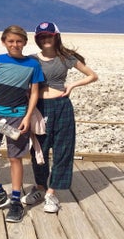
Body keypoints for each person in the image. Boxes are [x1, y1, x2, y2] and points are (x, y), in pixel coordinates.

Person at [22, 22, 98, 213]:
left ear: (56, 36)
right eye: (41, 36)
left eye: (49, 35)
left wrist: (72, 85)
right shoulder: (32, 59)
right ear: (37, 39)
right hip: (39, 108)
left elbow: (92, 75)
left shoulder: (66, 58)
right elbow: (11, 64)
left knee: (63, 149)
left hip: (61, 106)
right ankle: (40, 187)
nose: (45, 39)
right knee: (39, 149)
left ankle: (51, 193)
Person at [0, 25, 44, 223]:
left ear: (25, 42)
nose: (15, 45)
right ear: (4, 42)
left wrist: (27, 117)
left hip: (18, 116)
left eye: (19, 41)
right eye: (11, 41)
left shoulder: (33, 65)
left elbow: (34, 93)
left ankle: (15, 201)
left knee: (15, 158)